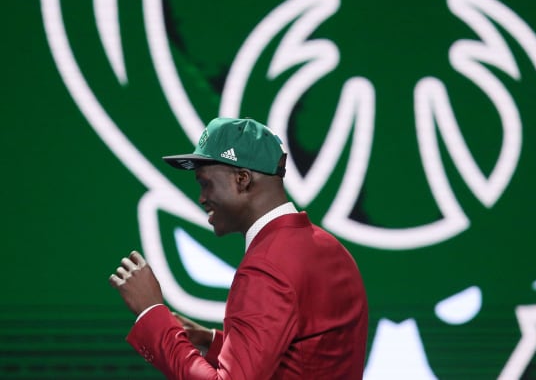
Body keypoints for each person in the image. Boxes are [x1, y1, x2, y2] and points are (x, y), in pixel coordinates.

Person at [109, 117, 369, 379]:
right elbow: (303, 357)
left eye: (205, 183)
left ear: (242, 179)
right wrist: (210, 341)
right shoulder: (330, 247)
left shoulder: (266, 267)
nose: (201, 198)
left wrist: (152, 313)